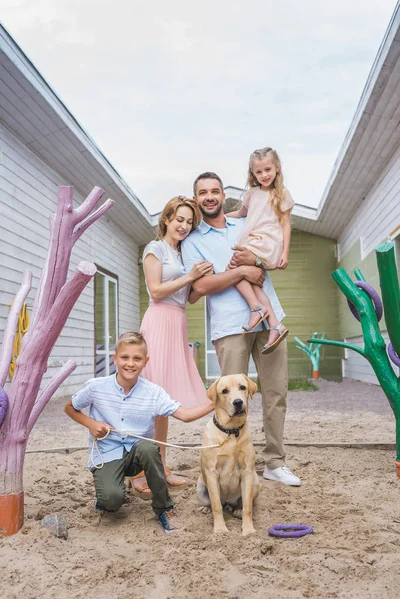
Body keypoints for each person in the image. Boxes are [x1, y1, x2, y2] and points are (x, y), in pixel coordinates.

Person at [181, 172, 301, 486]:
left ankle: (275, 462)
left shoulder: (244, 224)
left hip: (269, 320)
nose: (209, 196)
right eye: (203, 192)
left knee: (276, 393)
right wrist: (241, 271)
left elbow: (272, 256)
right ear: (196, 199)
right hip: (229, 325)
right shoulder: (192, 240)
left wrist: (256, 262)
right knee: (229, 402)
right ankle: (230, 466)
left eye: (215, 191)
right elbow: (202, 285)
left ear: (223, 196)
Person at [64, 332, 214, 534]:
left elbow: (186, 415)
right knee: (111, 500)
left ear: (146, 361)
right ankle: (108, 495)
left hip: (138, 455)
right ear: (115, 358)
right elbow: (69, 408)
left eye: (137, 358)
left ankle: (164, 508)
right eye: (125, 357)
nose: (130, 363)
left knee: (148, 447)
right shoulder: (96, 387)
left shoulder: (154, 393)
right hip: (107, 453)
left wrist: (217, 402)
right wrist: (90, 423)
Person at [132, 196, 213, 498]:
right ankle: (140, 471)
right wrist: (190, 276)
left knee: (164, 403)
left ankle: (162, 466)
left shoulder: (184, 253)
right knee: (149, 399)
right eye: (179, 219)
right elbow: (155, 291)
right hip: (158, 321)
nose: (184, 225)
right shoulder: (155, 249)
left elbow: (189, 297)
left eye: (189, 222)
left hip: (178, 322)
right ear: (166, 218)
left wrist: (202, 281)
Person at [225, 147, 294, 353]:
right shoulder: (252, 194)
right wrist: (220, 218)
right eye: (259, 172)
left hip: (267, 242)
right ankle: (274, 324)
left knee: (233, 268)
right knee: (251, 280)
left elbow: (285, 224)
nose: (264, 175)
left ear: (277, 167)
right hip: (253, 240)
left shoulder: (281, 194)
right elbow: (240, 213)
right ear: (253, 174)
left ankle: (257, 309)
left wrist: (285, 253)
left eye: (268, 169)